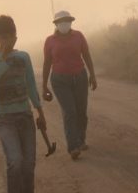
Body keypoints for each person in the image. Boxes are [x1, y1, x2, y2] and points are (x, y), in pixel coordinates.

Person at [0, 15, 45, 193]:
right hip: (5, 119)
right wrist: (5, 55)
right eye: (3, 36)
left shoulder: (24, 57)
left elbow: (30, 84)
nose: (8, 39)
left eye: (11, 35)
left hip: (25, 116)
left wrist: (40, 112)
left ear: (15, 34)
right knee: (15, 161)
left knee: (28, 164)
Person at [42, 10, 98, 160]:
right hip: (60, 81)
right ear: (56, 24)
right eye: (61, 22)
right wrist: (44, 86)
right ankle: (73, 147)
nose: (64, 24)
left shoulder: (78, 36)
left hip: (80, 78)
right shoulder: (50, 41)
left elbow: (86, 55)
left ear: (71, 22)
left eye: (67, 21)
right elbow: (47, 63)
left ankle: (81, 140)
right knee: (69, 111)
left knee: (81, 112)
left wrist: (92, 75)